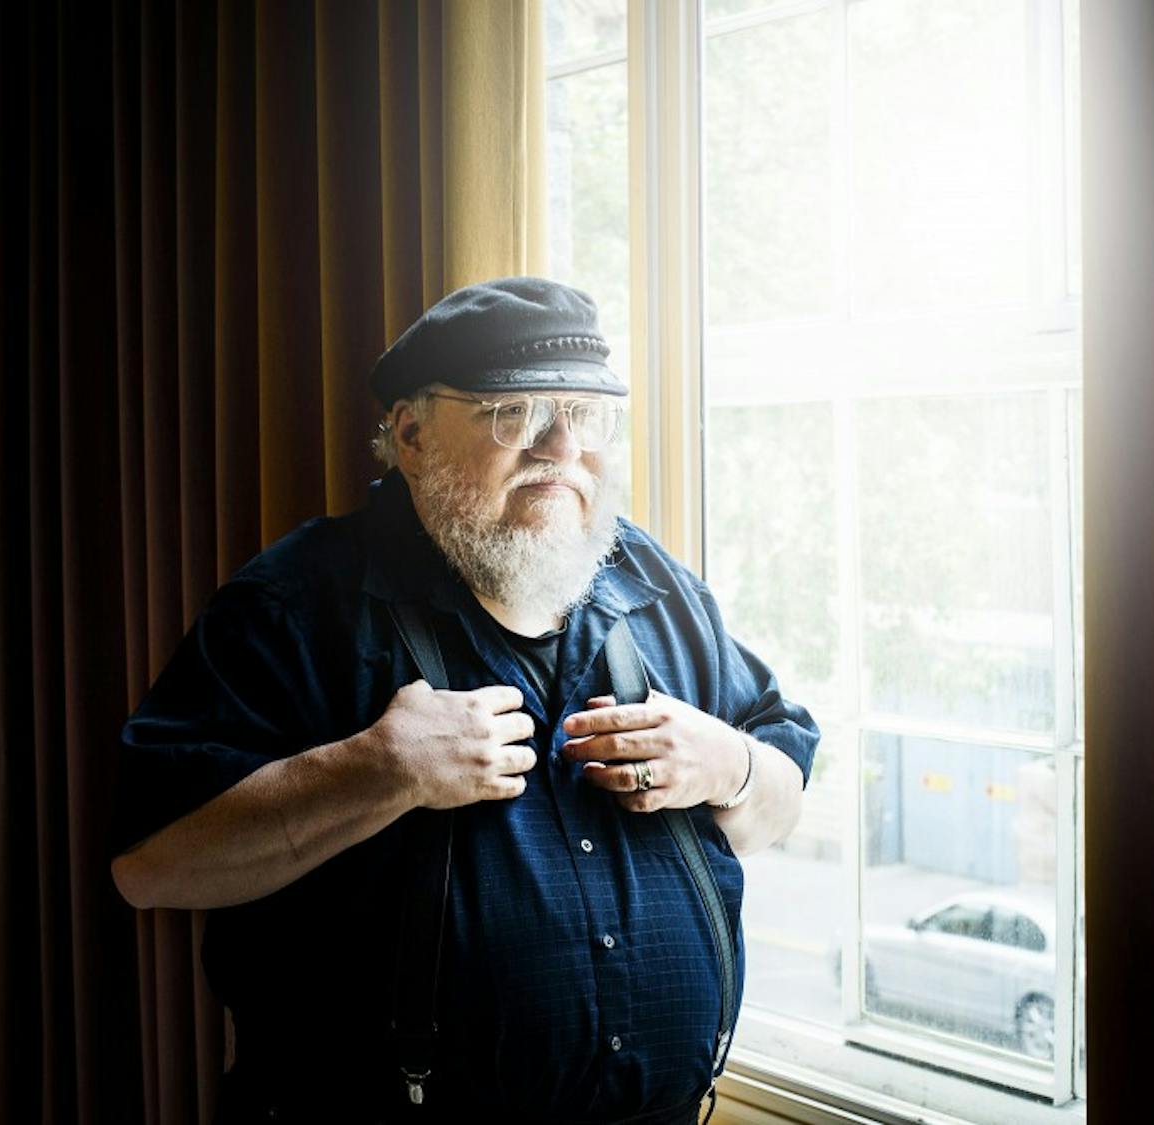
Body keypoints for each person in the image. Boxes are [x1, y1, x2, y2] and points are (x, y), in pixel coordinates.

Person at [110, 277, 819, 1124]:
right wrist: (376, 770)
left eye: (586, 415)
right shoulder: (298, 605)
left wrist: (731, 765)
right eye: (515, 414)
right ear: (411, 433)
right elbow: (149, 865)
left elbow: (783, 789)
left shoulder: (657, 587)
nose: (562, 447)